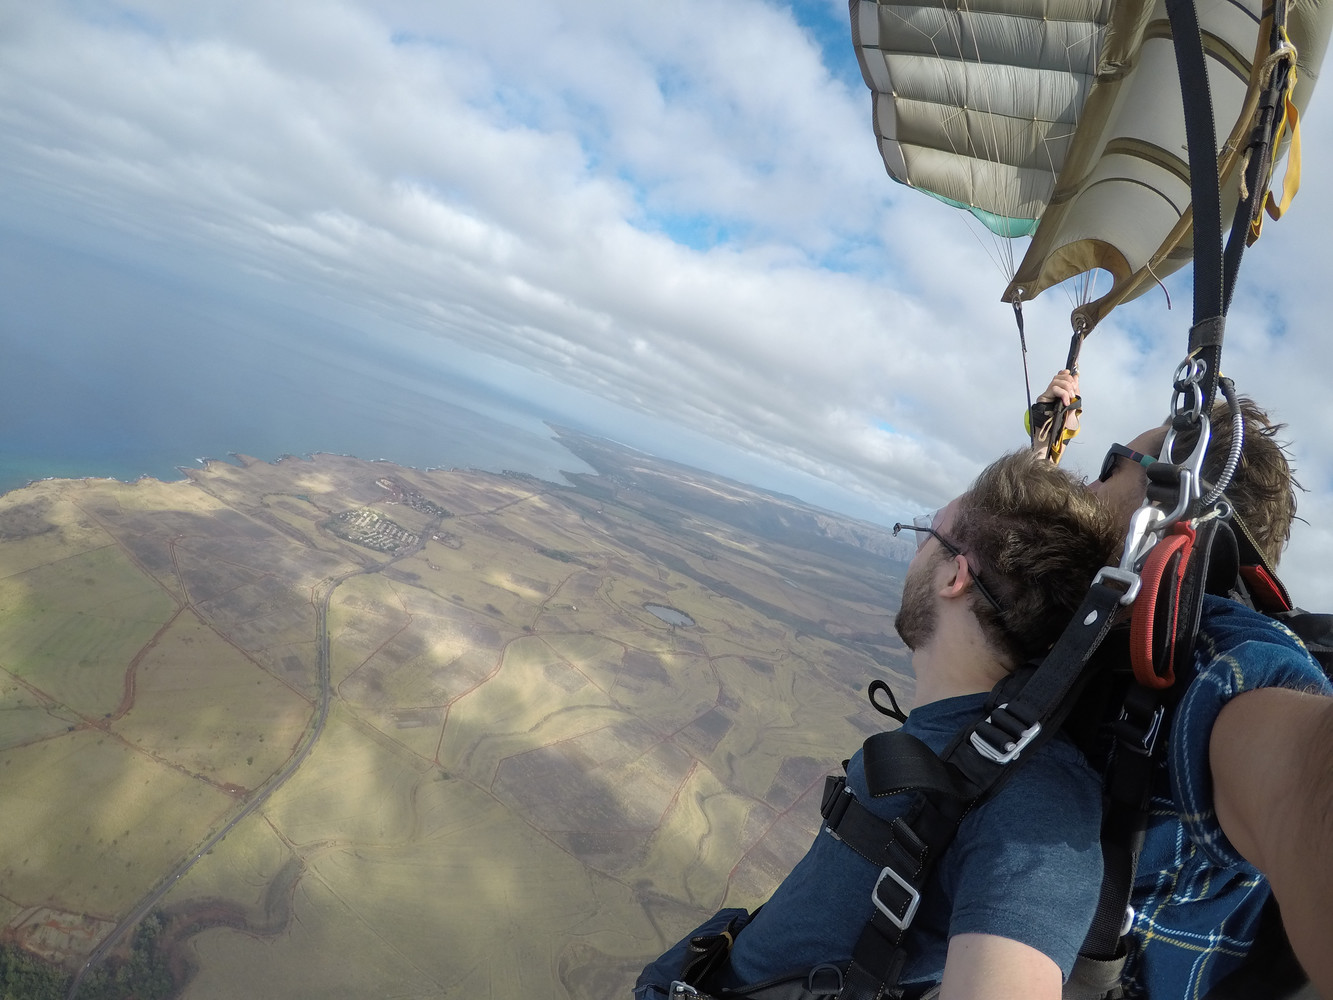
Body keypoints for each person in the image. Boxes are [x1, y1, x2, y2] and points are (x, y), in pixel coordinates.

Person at [638, 451, 1126, 999]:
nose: (915, 551)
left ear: (954, 576)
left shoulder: (1036, 805)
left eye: (927, 534)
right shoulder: (968, 739)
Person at [1036, 370, 1333, 998]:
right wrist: (1045, 445)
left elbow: (1301, 780)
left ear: (1174, 499)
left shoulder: (1212, 657)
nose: (1088, 485)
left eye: (1113, 462)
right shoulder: (1114, 629)